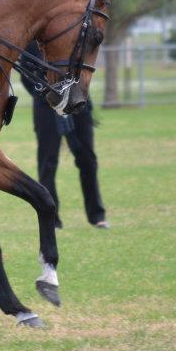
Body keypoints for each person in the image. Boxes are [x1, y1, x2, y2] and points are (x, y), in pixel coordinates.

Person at [21, 41, 108, 229]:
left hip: (77, 100)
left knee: (88, 160)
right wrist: (45, 95)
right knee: (48, 162)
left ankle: (97, 215)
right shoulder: (33, 41)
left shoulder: (73, 35)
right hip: (45, 104)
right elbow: (26, 76)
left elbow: (84, 66)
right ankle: (52, 219)